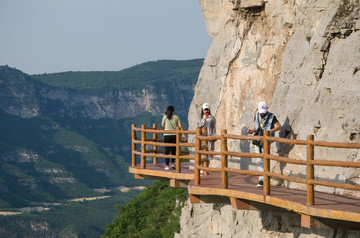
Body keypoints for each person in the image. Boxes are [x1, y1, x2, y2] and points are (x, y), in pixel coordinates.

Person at [248, 101, 282, 187]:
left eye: (263, 112)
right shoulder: (257, 115)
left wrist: (270, 131)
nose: (262, 114)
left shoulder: (271, 116)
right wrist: (252, 131)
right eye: (261, 112)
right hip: (258, 139)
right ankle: (261, 179)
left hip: (266, 141)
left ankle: (263, 179)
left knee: (264, 159)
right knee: (259, 160)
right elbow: (258, 127)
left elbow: (279, 126)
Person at [161, 105, 186, 170]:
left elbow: (162, 125)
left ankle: (167, 165)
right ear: (173, 111)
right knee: (173, 151)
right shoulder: (176, 117)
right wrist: (183, 134)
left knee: (167, 151)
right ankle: (172, 164)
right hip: (174, 136)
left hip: (166, 135)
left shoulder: (165, 116)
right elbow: (180, 126)